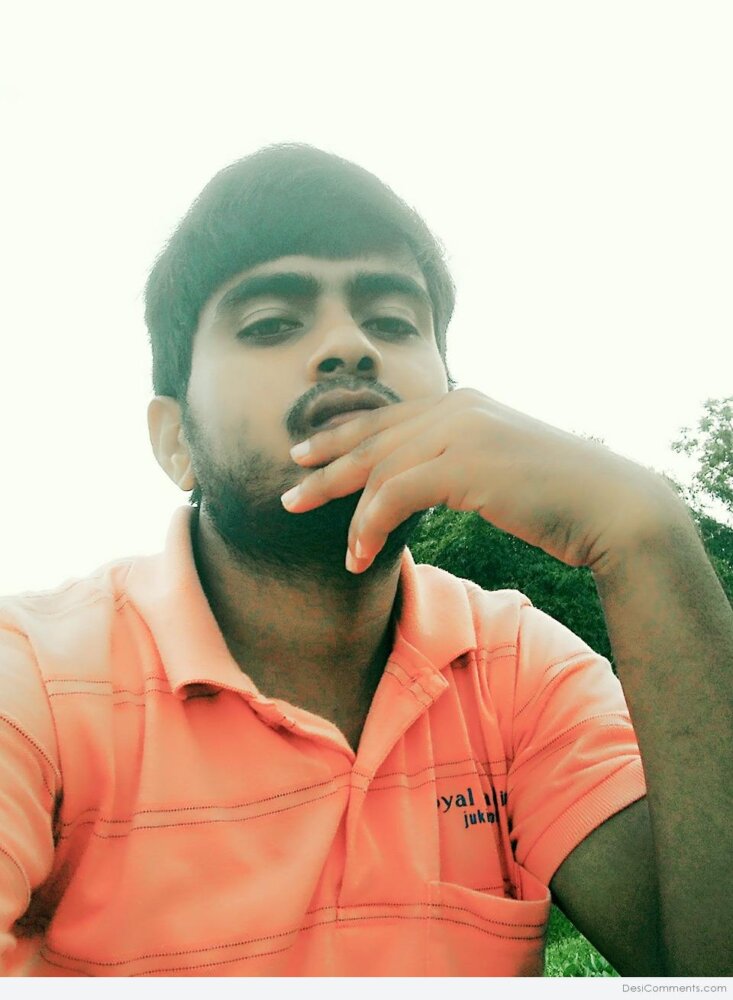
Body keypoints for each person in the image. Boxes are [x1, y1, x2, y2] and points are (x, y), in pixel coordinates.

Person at [0, 144, 731, 979]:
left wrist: (646, 536)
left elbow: (706, 963)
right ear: (176, 443)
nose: (348, 346)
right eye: (270, 323)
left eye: (391, 321)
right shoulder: (33, 680)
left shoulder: (516, 668)